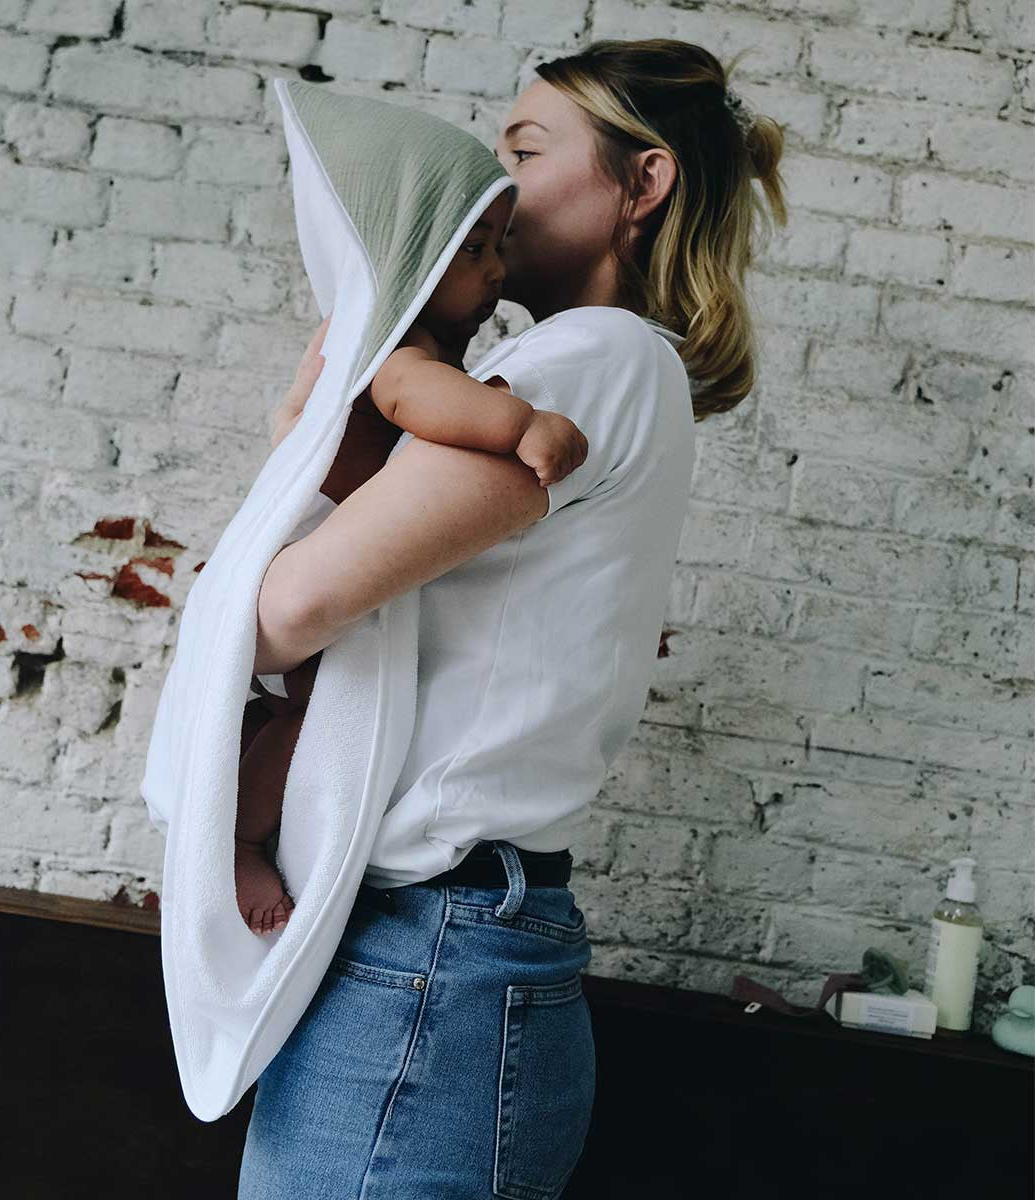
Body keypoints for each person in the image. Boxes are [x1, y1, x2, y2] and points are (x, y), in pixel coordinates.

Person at [239, 38, 788, 1200]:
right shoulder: (576, 362)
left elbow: (289, 609)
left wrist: (291, 473)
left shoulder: (589, 356)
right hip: (436, 946)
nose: (498, 181)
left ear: (643, 184)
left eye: (527, 152)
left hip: (430, 948)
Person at [235, 187, 593, 936]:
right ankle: (242, 839)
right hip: (306, 550)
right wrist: (520, 424)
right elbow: (412, 399)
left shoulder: (403, 337)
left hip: (313, 548)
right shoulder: (396, 346)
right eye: (474, 250)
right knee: (304, 713)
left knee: (274, 715)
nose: (496, 269)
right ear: (412, 262)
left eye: (498, 246)